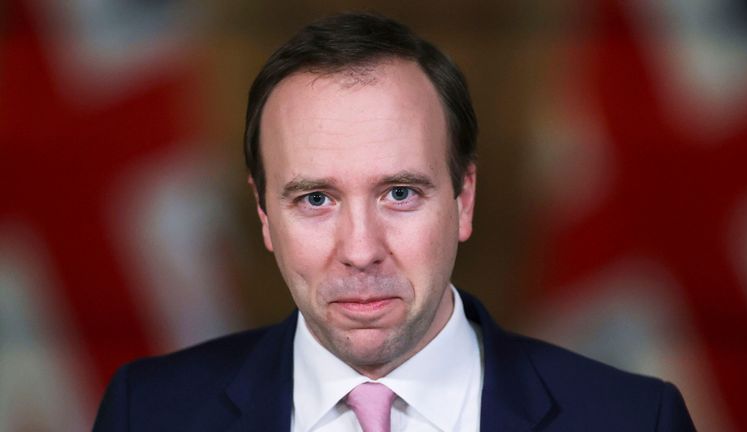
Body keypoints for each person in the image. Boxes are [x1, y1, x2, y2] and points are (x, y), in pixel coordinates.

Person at [93, 12, 696, 432]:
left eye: (400, 193)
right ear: (263, 215)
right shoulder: (146, 414)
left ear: (464, 200)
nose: (361, 250)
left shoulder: (635, 420)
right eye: (315, 200)